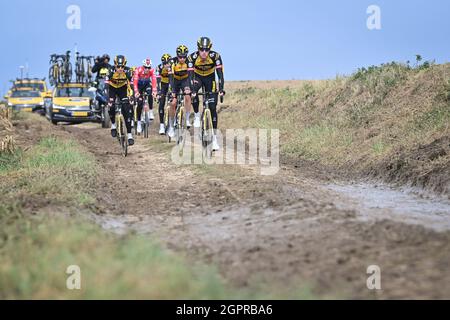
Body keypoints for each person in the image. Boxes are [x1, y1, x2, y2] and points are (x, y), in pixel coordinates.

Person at [188, 37, 225, 151]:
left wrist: (221, 89)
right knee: (193, 92)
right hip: (197, 77)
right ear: (198, 48)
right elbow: (189, 75)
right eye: (201, 49)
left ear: (210, 49)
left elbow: (220, 75)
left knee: (213, 108)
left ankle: (214, 139)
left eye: (206, 50)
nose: (204, 52)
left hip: (210, 79)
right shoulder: (192, 57)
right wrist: (192, 90)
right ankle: (198, 116)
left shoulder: (216, 57)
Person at [106, 55, 135, 145]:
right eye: (118, 66)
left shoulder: (127, 71)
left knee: (127, 110)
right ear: (115, 65)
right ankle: (113, 125)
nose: (120, 68)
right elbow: (106, 86)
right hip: (112, 89)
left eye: (122, 66)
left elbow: (131, 85)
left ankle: (129, 134)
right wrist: (108, 99)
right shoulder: (110, 70)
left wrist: (131, 96)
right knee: (111, 106)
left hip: (123, 89)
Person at [167, 45, 191, 139]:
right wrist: (172, 91)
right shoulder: (172, 62)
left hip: (185, 80)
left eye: (184, 56)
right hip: (175, 81)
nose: (182, 59)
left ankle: (188, 119)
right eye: (180, 57)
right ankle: (171, 125)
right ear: (177, 55)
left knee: (188, 96)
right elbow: (170, 78)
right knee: (173, 103)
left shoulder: (189, 61)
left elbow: (191, 75)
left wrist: (190, 88)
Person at [133, 59, 157, 134]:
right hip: (139, 86)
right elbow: (135, 83)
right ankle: (139, 122)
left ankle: (150, 111)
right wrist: (136, 92)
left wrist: (154, 91)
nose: (147, 69)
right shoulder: (138, 70)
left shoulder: (152, 71)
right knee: (139, 103)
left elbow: (154, 81)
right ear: (143, 67)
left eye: (149, 67)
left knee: (150, 94)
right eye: (145, 67)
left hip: (146, 84)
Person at [156, 53, 172, 135]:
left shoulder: (173, 66)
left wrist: (172, 89)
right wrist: (158, 91)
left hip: (171, 83)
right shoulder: (159, 68)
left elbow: (173, 80)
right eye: (164, 63)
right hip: (162, 84)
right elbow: (158, 81)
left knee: (173, 101)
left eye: (168, 63)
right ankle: (162, 125)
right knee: (161, 103)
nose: (166, 65)